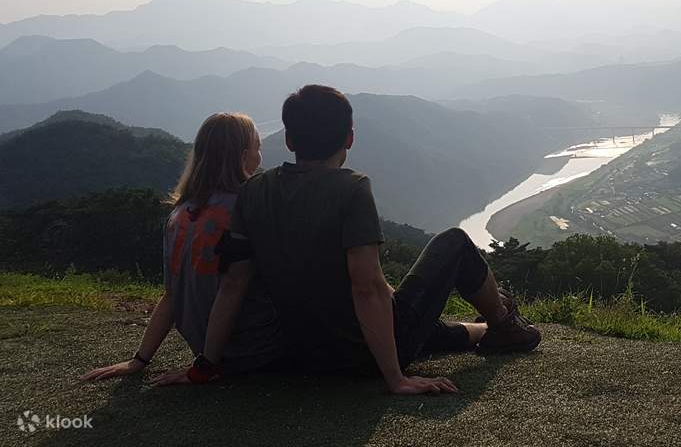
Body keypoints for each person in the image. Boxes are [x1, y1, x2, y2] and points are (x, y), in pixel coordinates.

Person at [187, 84, 540, 394]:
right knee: (455, 242)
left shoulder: (254, 191)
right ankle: (502, 323)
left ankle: (483, 329)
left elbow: (232, 284)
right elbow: (366, 287)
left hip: (305, 352)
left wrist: (206, 364)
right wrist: (395, 378)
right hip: (364, 354)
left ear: (289, 139)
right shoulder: (351, 188)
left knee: (418, 324)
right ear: (350, 138)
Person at [80, 113, 282, 382]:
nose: (260, 155)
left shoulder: (181, 214)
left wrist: (140, 359)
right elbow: (233, 288)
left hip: (209, 353)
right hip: (254, 350)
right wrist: (206, 369)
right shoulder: (248, 206)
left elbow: (172, 294)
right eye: (258, 147)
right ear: (244, 155)